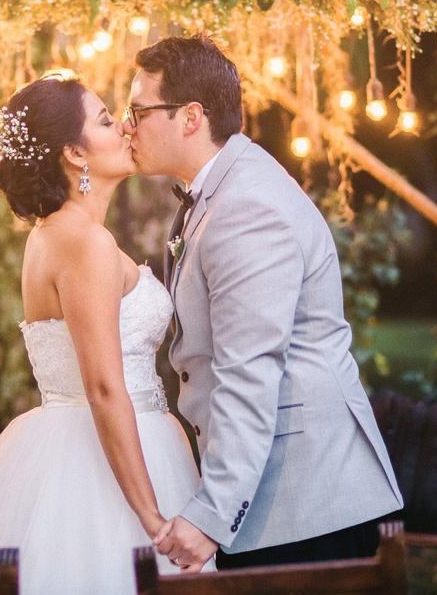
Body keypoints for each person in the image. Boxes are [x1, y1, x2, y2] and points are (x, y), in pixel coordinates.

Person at [0, 70, 212, 594]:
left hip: (100, 439)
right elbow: (104, 386)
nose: (125, 130)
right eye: (107, 120)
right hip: (104, 459)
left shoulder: (56, 234)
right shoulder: (82, 242)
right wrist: (152, 520)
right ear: (74, 153)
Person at [124, 35, 403, 572]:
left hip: (306, 502)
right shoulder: (217, 192)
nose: (129, 125)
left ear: (190, 117)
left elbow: (249, 371)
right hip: (281, 496)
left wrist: (211, 514)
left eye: (139, 110)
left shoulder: (246, 206)